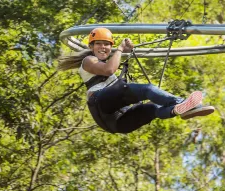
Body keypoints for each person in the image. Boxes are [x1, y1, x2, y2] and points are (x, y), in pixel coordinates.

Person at [58, 27, 214, 134]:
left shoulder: (103, 61)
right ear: (91, 47)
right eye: (99, 44)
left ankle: (177, 109)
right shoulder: (88, 61)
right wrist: (119, 49)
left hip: (119, 124)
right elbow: (108, 70)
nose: (103, 47)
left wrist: (122, 51)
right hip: (101, 104)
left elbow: (110, 71)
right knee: (146, 89)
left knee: (153, 109)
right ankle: (183, 103)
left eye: (107, 45)